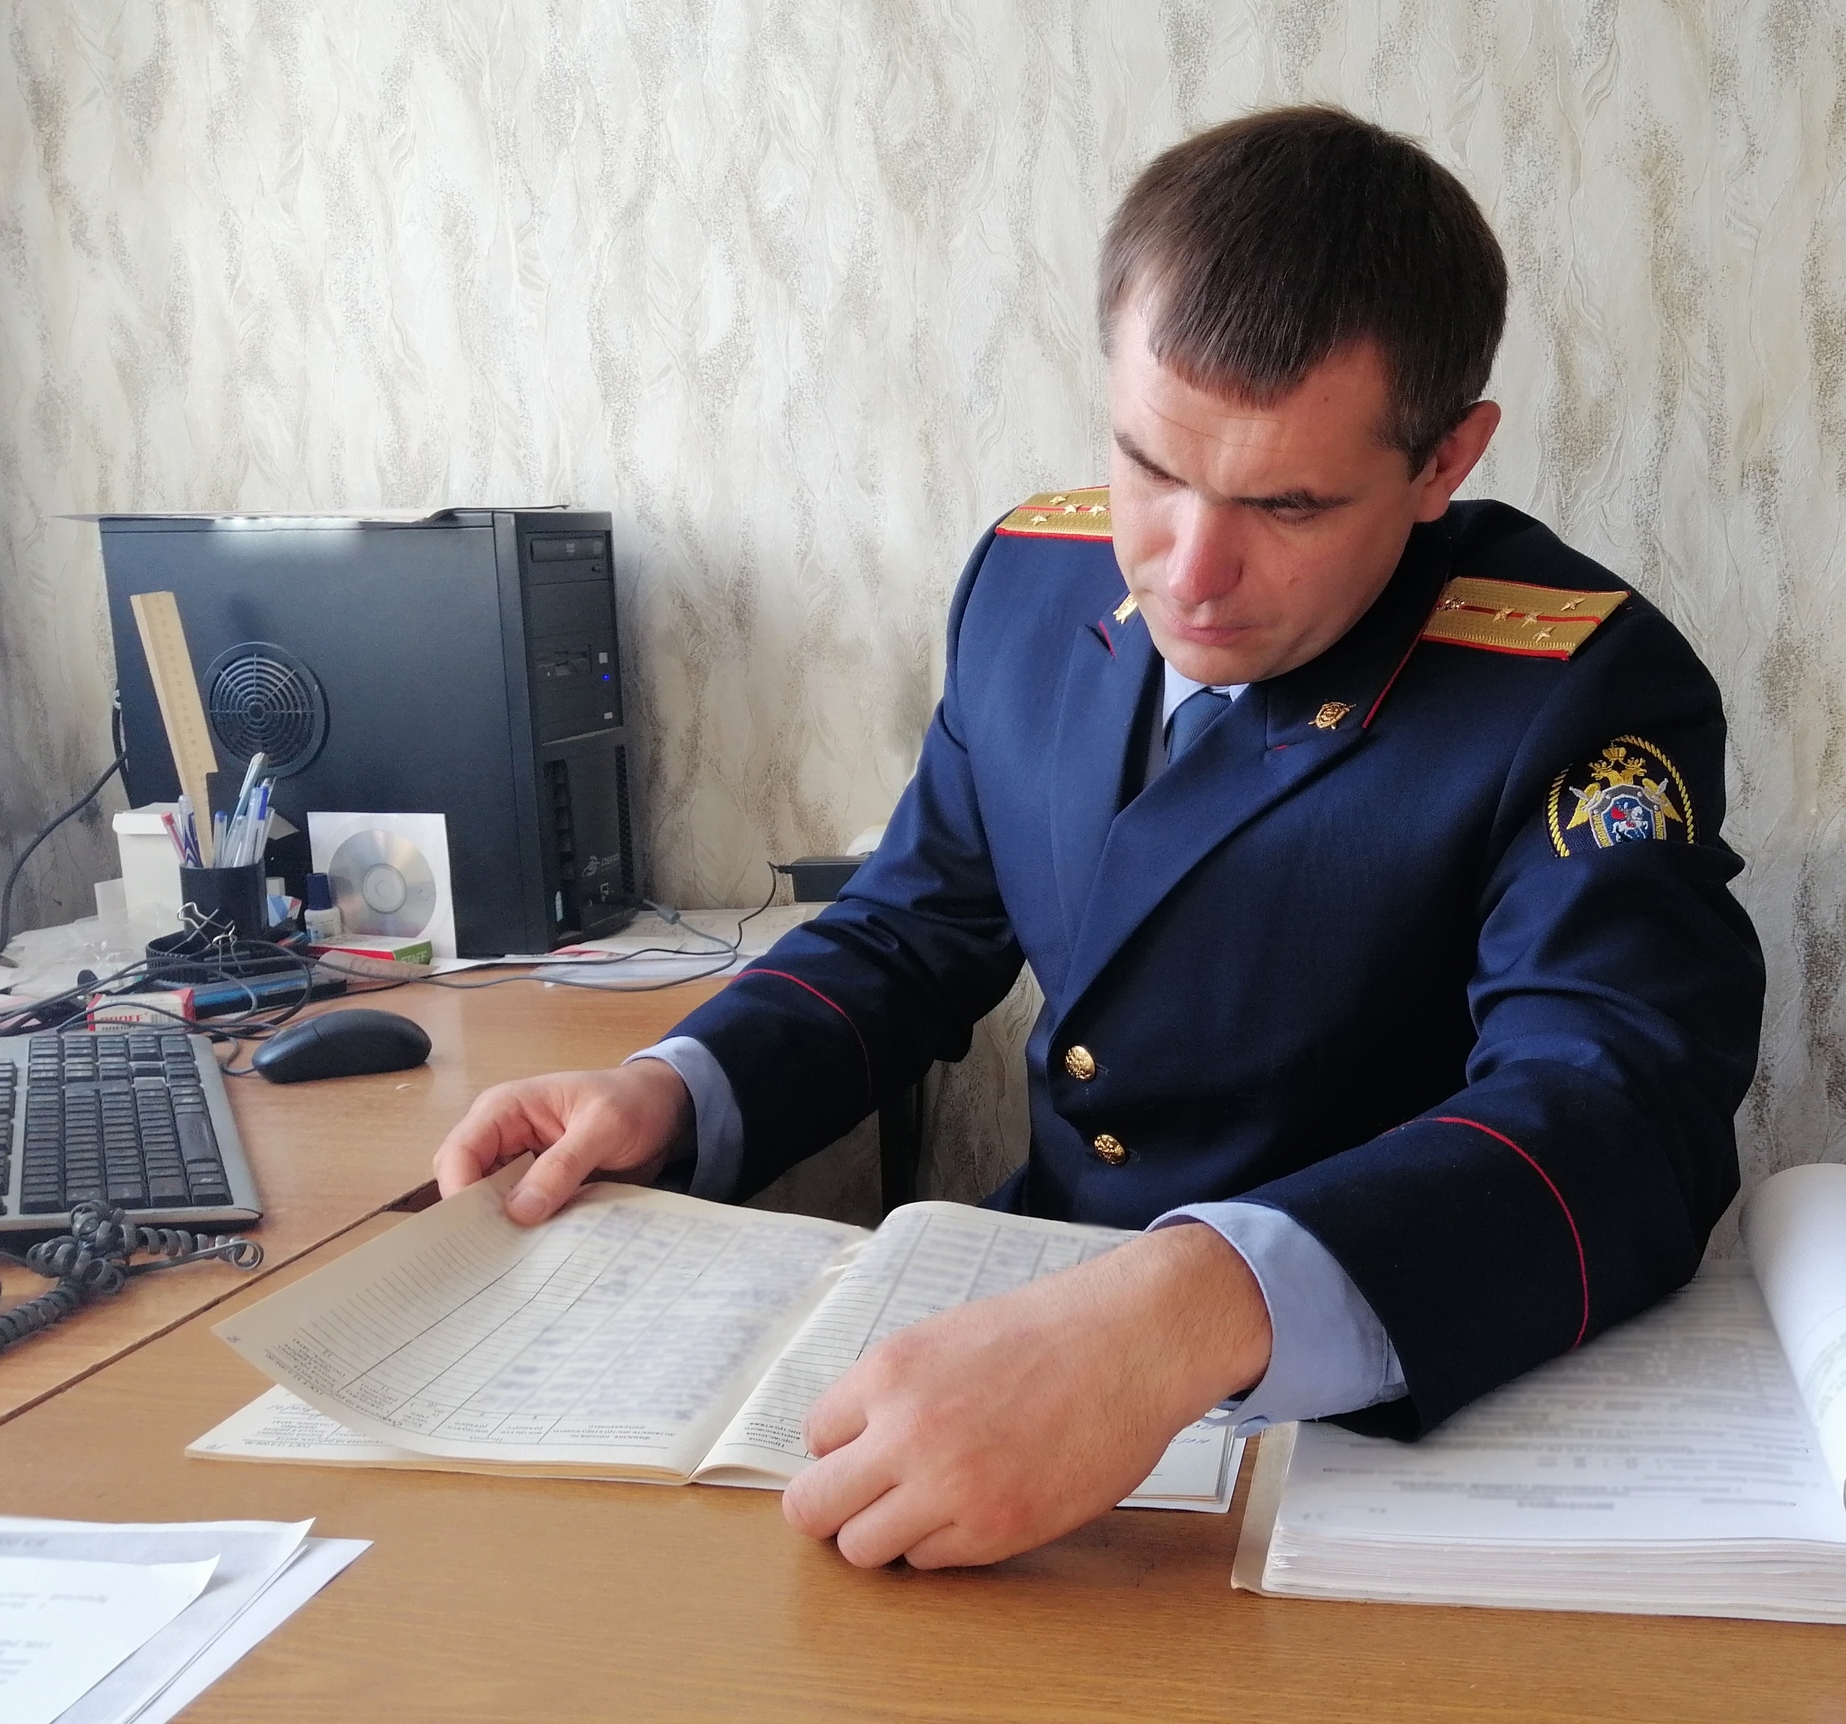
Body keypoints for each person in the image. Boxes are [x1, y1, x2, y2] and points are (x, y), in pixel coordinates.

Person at [434, 106, 1764, 1571]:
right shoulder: (1029, 581)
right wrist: (671, 1089)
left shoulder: (1575, 687)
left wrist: (1182, 1314)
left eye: (1288, 503)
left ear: (1446, 460)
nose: (1191, 571)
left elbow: (1620, 1108)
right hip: (1027, 1309)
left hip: (1364, 1410)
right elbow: (911, 931)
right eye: (1150, 465)